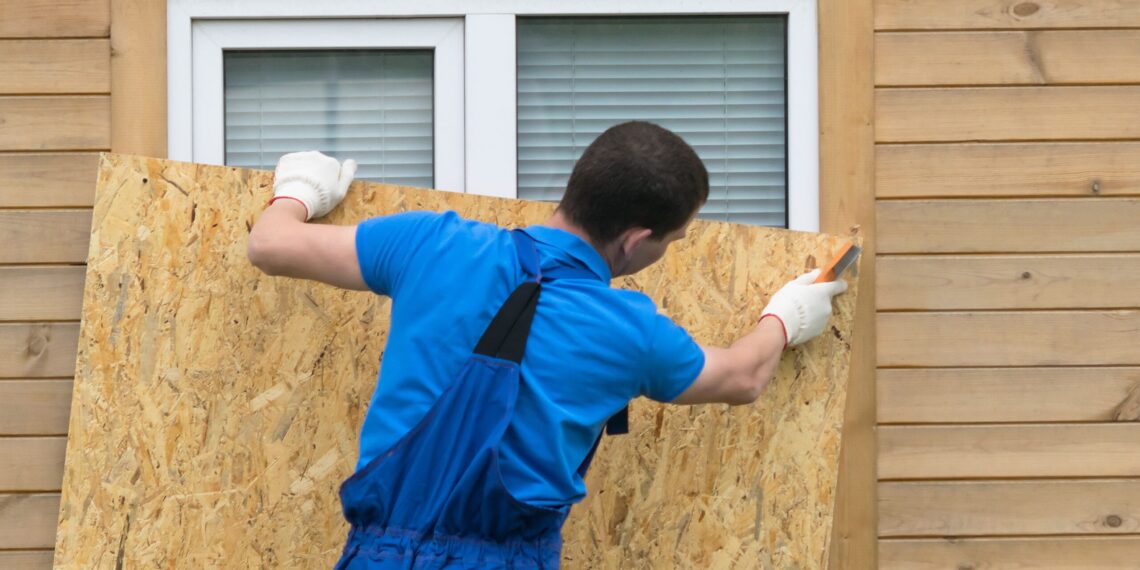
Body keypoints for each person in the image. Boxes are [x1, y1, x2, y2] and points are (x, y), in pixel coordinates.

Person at [247, 121, 847, 569]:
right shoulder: (630, 331)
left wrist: (300, 189)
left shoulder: (430, 243)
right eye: (674, 240)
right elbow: (740, 376)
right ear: (636, 242)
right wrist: (785, 316)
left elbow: (271, 246)